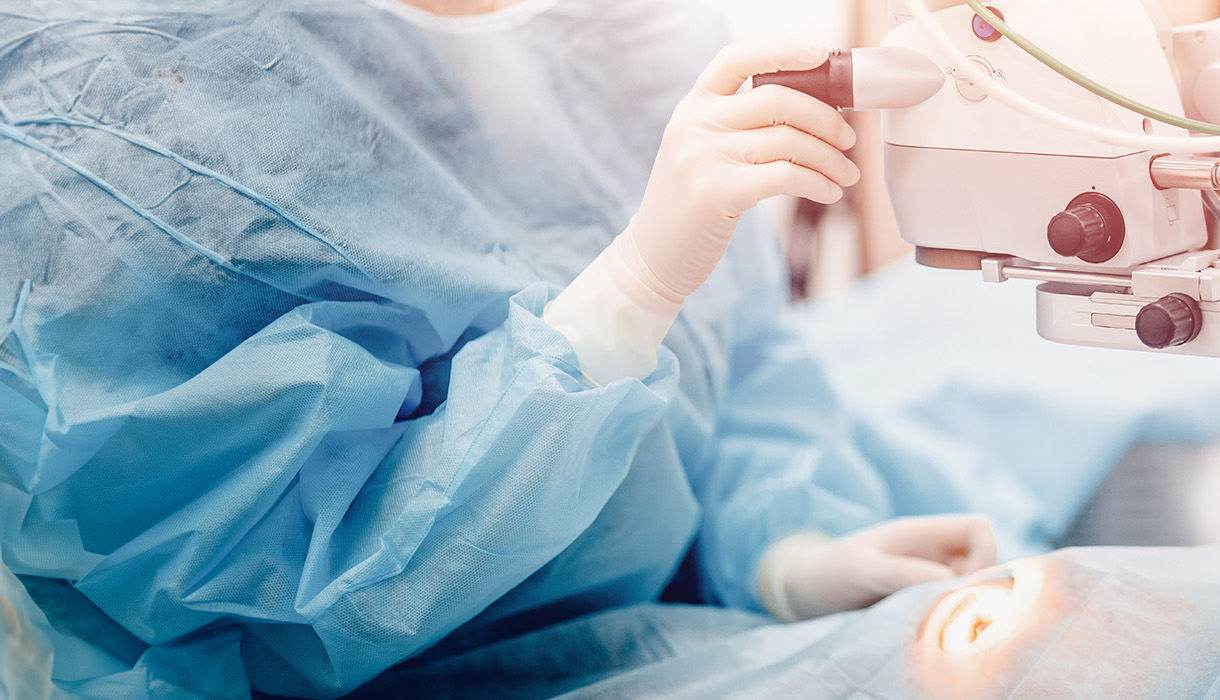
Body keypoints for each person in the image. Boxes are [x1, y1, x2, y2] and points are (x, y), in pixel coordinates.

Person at [0, 0, 995, 696]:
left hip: (687, 631)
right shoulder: (104, 118)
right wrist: (627, 291)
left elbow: (732, 364)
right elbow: (269, 598)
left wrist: (788, 554)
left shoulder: (626, 31)